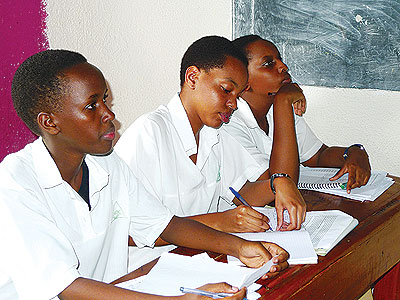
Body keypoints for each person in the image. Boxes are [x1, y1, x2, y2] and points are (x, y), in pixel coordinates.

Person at [0, 49, 289, 300]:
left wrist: (240, 246)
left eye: (105, 100)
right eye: (91, 106)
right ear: (50, 122)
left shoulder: (105, 163)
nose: (108, 114)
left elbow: (164, 225)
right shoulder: (16, 182)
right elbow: (66, 287)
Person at [115, 36, 305, 270]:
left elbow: (243, 191)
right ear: (193, 77)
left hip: (201, 260)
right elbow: (128, 233)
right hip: (147, 268)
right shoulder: (149, 134)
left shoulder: (214, 133)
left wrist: (278, 183)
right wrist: (220, 222)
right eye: (226, 90)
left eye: (237, 95)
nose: (233, 104)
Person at [222, 34, 371, 193]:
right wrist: (283, 102)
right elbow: (279, 186)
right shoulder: (229, 123)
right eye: (268, 63)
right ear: (243, 79)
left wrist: (353, 152)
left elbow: (318, 156)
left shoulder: (275, 108)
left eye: (279, 59)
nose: (283, 66)